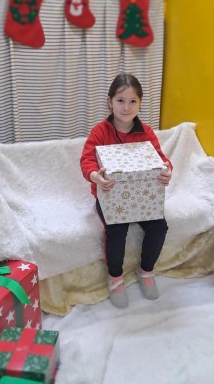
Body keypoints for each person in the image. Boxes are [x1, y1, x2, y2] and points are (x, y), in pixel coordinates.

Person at [80, 73, 173, 308]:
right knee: (116, 229)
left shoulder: (146, 132)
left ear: (140, 103)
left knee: (159, 226)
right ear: (110, 101)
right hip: (109, 195)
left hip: (142, 196)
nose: (126, 107)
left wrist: (167, 170)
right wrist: (96, 176)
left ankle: (146, 270)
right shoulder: (100, 131)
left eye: (133, 101)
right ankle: (115, 277)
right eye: (120, 100)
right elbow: (87, 160)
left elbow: (161, 159)